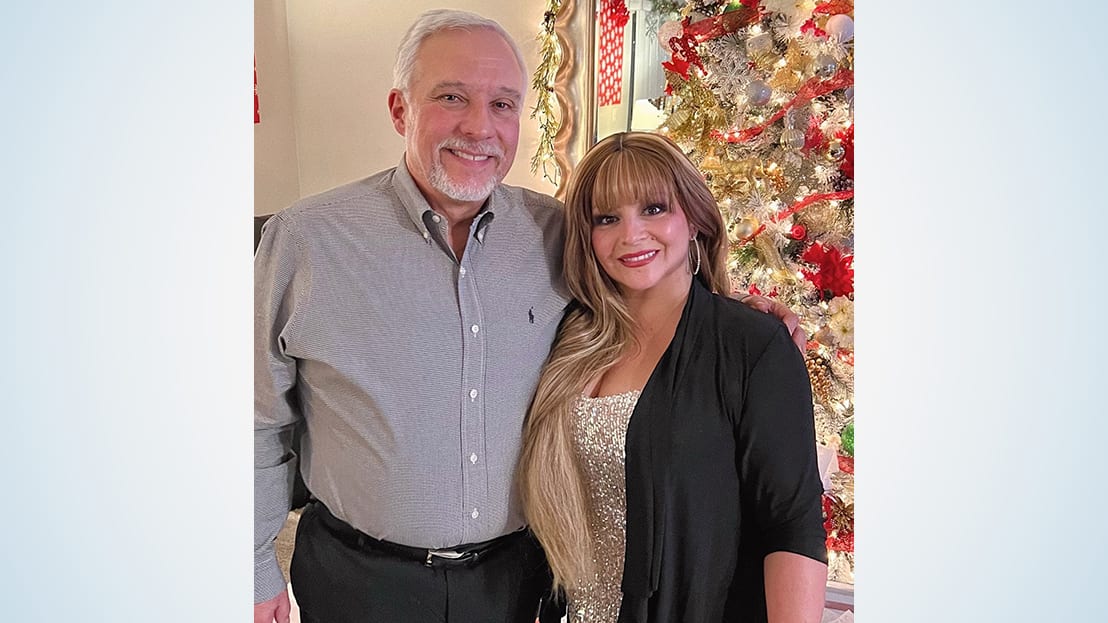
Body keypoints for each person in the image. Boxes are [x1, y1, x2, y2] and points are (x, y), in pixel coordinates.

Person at [254, 10, 805, 623]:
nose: (478, 128)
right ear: (399, 110)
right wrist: (253, 571)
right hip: (358, 580)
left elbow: (642, 276)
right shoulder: (306, 240)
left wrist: (740, 316)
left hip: (515, 585)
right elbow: (254, 420)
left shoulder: (555, 232)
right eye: (451, 97)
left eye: (503, 105)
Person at [518, 132, 828, 623]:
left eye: (654, 209)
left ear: (694, 218)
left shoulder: (752, 344)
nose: (631, 234)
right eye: (607, 218)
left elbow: (791, 525)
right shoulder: (565, 340)